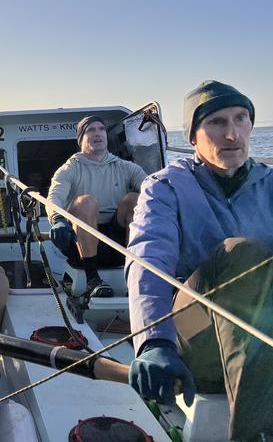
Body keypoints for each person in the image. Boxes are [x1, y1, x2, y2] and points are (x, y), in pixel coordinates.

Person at [126, 80, 273, 440]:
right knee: (241, 254)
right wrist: (154, 342)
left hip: (263, 333)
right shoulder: (165, 187)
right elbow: (149, 257)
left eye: (240, 119)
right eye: (217, 123)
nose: (232, 134)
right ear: (193, 137)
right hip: (193, 336)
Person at [47, 115, 147, 298]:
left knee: (134, 199)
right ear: (81, 139)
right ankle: (92, 280)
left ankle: (136, 277)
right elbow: (54, 197)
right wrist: (57, 219)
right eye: (90, 130)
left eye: (101, 129)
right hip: (80, 244)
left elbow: (153, 190)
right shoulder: (70, 169)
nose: (97, 133)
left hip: (117, 243)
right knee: (86, 201)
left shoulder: (127, 168)